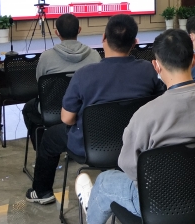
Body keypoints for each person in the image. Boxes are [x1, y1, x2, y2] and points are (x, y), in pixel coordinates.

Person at [75, 29, 195, 224]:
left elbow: (130, 168)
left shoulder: (146, 115)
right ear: (194, 59)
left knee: (104, 181)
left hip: (159, 205)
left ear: (156, 66)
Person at [25, 14, 165, 204]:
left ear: (103, 38)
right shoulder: (148, 70)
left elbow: (66, 119)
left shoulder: (85, 75)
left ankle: (42, 192)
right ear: (135, 42)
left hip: (91, 147)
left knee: (50, 137)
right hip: (136, 143)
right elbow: (158, 103)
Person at [22, 13, 100, 150]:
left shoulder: (46, 57)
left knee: (28, 109)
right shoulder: (95, 56)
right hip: (86, 109)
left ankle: (43, 149)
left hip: (52, 110)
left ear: (57, 32)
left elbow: (40, 83)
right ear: (79, 30)